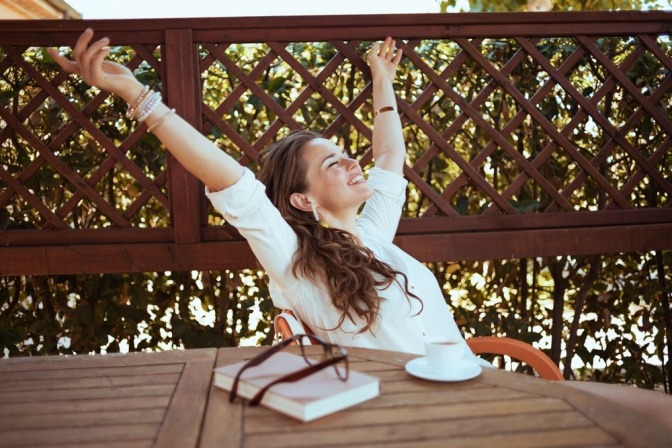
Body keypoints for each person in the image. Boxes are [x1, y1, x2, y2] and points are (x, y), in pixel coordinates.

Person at [49, 29, 474, 359]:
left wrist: (382, 80)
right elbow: (233, 182)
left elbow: (388, 155)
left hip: (471, 386)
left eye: (345, 155)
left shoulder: (375, 235)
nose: (352, 163)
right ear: (303, 201)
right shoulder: (294, 259)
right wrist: (137, 95)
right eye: (332, 163)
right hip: (409, 418)